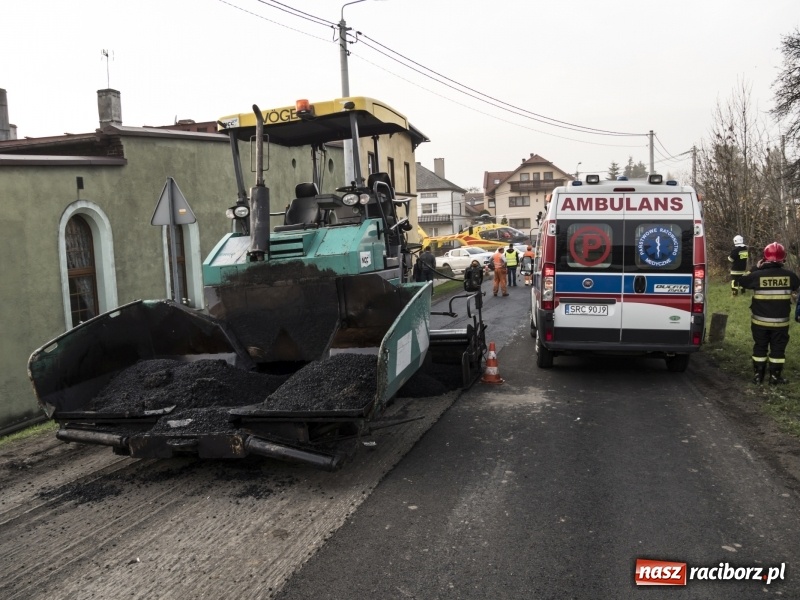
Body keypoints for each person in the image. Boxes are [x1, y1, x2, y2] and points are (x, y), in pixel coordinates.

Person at [739, 242, 800, 385]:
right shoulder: (791, 276)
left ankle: (758, 377)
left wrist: (755, 268)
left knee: (760, 346)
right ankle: (775, 378)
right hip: (781, 323)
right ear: (783, 259)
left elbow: (742, 281)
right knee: (778, 349)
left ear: (765, 258)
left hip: (759, 322)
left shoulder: (756, 276)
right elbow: (796, 286)